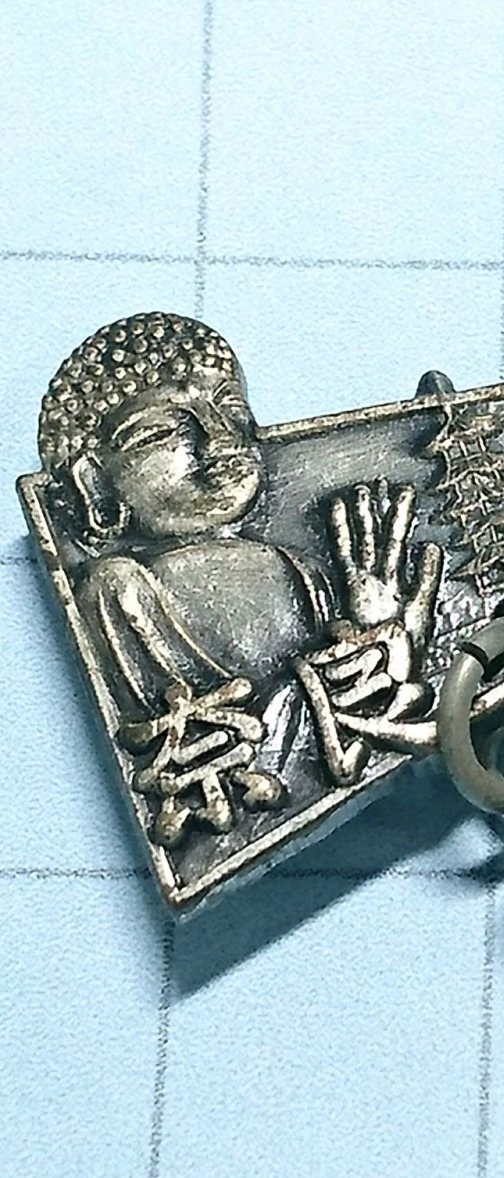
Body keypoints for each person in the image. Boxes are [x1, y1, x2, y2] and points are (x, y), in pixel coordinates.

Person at [38, 313, 442, 845]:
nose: (221, 438)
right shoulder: (118, 588)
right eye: (162, 431)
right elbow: (232, 745)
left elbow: (346, 720)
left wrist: (380, 636)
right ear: (94, 483)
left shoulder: (305, 571)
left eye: (231, 408)